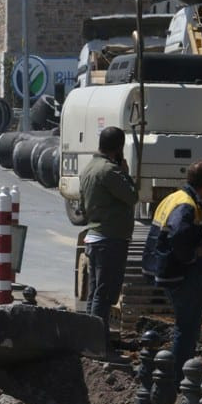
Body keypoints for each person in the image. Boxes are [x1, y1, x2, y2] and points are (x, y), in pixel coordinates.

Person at [142, 160, 202, 380]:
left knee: (186, 327)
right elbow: (177, 234)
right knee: (187, 328)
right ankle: (177, 379)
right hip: (183, 276)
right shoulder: (186, 205)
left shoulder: (172, 198)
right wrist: (193, 255)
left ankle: (177, 376)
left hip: (169, 272)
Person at [79, 126, 138, 347]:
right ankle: (96, 342)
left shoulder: (89, 168)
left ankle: (90, 337)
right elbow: (132, 197)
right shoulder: (110, 171)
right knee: (103, 295)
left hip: (95, 236)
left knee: (95, 293)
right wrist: (125, 172)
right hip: (109, 239)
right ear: (119, 147)